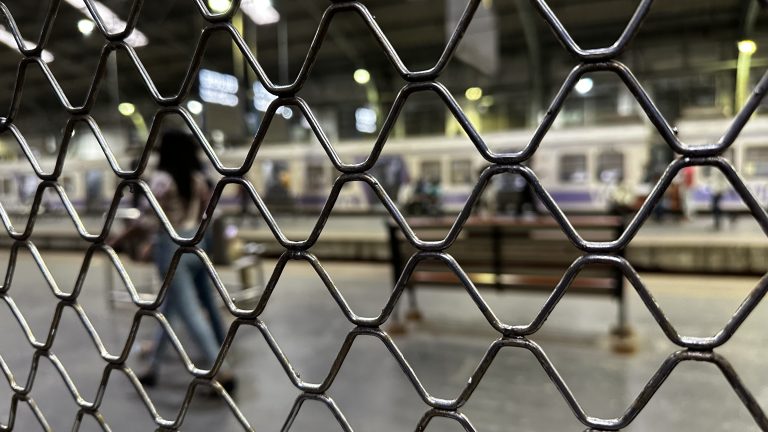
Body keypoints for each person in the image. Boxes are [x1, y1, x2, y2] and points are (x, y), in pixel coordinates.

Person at [131, 129, 235, 392]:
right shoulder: (196, 178)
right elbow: (207, 212)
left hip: (171, 247)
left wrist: (122, 237)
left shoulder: (162, 180)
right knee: (173, 307)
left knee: (188, 312)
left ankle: (220, 371)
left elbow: (147, 217)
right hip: (196, 244)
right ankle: (153, 366)